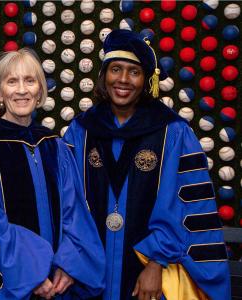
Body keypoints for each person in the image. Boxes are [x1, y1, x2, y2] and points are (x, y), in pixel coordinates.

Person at [64, 29, 230, 300]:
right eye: (116, 69)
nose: (123, 80)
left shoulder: (172, 132)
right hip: (90, 266)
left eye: (134, 72)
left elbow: (189, 205)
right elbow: (66, 201)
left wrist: (156, 262)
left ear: (146, 81)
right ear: (104, 75)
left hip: (149, 270)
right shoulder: (81, 130)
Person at [0, 48, 105, 299]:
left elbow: (75, 211)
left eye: (30, 80)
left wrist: (68, 265)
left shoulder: (54, 145)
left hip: (60, 282)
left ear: (40, 91)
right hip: (11, 282)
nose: (22, 90)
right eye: (12, 81)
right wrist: (31, 274)